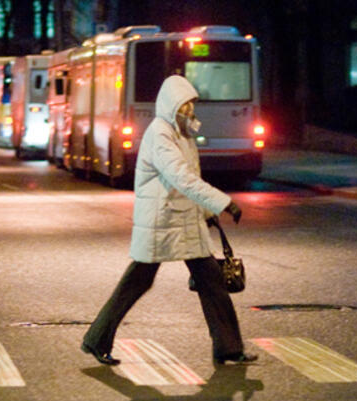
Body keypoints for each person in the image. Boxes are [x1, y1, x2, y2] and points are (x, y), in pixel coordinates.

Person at [81, 75, 257, 366]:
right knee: (136, 282)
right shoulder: (160, 134)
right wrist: (223, 202)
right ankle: (96, 340)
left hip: (184, 223)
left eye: (192, 104)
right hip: (161, 223)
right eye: (185, 104)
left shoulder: (182, 134)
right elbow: (181, 177)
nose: (190, 110)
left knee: (212, 282)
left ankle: (228, 348)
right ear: (171, 104)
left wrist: (206, 212)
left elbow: (189, 181)